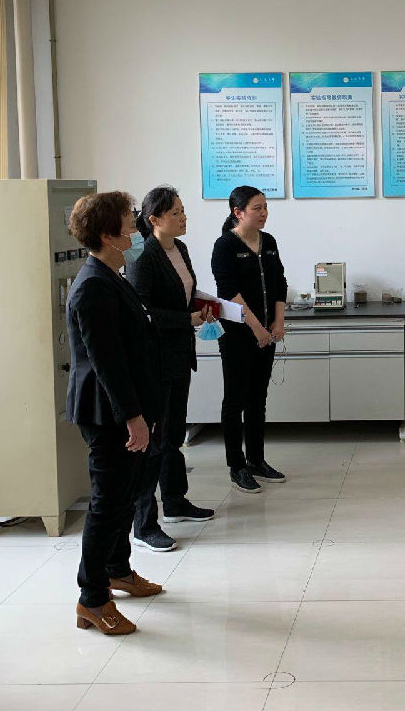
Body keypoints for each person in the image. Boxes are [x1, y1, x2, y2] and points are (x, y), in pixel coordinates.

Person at [65, 191, 164, 636]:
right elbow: (107, 363)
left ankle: (118, 570)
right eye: (129, 222)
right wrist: (133, 417)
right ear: (108, 234)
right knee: (107, 504)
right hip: (109, 414)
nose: (136, 229)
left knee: (125, 495)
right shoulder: (92, 286)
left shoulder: (112, 275)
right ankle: (92, 598)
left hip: (127, 408)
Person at [125, 186, 216, 553]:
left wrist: (206, 308)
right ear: (154, 220)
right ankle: (144, 524)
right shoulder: (141, 256)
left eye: (182, 210)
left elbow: (184, 293)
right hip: (155, 359)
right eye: (175, 213)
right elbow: (142, 313)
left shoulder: (181, 249)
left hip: (180, 355)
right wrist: (186, 319)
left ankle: (176, 501)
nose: (183, 217)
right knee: (153, 442)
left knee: (175, 433)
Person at [211, 185, 288, 494]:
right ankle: (237, 466)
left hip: (267, 333)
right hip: (238, 335)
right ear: (238, 212)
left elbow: (280, 283)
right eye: (257, 208)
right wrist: (257, 329)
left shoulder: (269, 242)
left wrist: (278, 322)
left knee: (258, 399)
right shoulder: (225, 245)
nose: (264, 213)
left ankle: (257, 460)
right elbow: (229, 291)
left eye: (265, 207)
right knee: (235, 400)